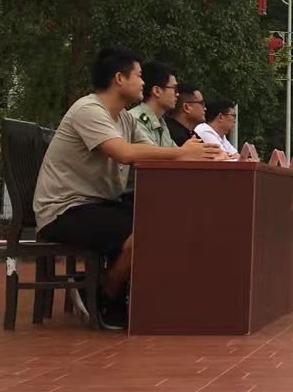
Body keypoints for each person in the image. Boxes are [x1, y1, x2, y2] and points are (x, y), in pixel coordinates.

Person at [34, 48, 215, 330]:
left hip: (98, 205)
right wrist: (181, 153)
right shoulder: (88, 110)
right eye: (139, 75)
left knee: (164, 219)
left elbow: (151, 151)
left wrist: (201, 153)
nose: (143, 82)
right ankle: (106, 293)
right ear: (119, 78)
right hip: (65, 210)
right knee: (148, 231)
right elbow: (124, 153)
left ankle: (114, 289)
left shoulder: (124, 118)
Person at [126, 61, 179, 148]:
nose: (177, 94)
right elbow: (153, 154)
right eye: (175, 89)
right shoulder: (136, 119)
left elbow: (175, 152)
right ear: (157, 91)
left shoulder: (161, 122)